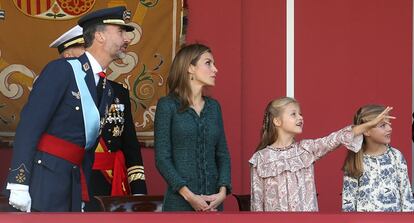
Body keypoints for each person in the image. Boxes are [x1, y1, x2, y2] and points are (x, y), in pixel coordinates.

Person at [5, 6, 134, 212]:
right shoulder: (62, 70)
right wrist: (19, 181)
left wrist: (82, 192)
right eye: (120, 32)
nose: (127, 38)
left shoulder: (107, 89)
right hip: (45, 179)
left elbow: (88, 146)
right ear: (99, 35)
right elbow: (30, 126)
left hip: (73, 182)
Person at [50, 23, 147, 212]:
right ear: (68, 56)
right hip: (74, 181)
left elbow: (130, 146)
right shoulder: (59, 89)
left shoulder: (117, 91)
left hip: (111, 184)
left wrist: (139, 191)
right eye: (84, 49)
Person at [249, 97, 394, 211]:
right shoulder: (260, 159)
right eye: (293, 114)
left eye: (300, 114)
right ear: (277, 121)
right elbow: (256, 205)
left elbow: (336, 138)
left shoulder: (307, 149)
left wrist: (368, 125)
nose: (300, 118)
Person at [154, 43, 231, 211]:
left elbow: (222, 154)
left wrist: (223, 191)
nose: (215, 69)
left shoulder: (214, 107)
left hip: (214, 204)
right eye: (208, 63)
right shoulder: (167, 106)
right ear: (190, 68)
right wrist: (189, 196)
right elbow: (162, 158)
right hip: (179, 204)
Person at [342, 104, 414, 212]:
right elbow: (348, 202)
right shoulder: (355, 160)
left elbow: (406, 195)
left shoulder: (396, 156)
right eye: (382, 125)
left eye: (389, 124)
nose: (390, 128)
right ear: (366, 131)